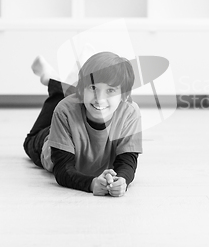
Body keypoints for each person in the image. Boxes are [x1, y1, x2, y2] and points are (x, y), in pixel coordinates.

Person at [23, 52, 143, 196]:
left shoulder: (130, 112)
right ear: (82, 89)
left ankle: (75, 78)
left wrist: (122, 180)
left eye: (110, 90)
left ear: (124, 96)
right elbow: (63, 168)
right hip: (51, 137)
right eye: (93, 88)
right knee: (60, 103)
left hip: (79, 110)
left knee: (85, 101)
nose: (100, 98)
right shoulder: (64, 110)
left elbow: (128, 160)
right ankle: (51, 79)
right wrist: (91, 184)